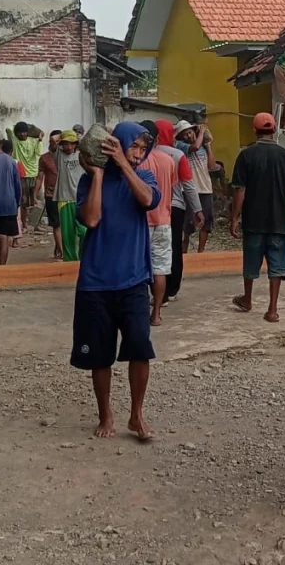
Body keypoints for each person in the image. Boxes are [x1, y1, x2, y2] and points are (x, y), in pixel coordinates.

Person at [71, 121, 160, 442]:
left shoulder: (144, 177)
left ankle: (137, 415)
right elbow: (91, 218)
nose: (138, 153)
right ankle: (106, 413)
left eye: (141, 148)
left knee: (140, 349)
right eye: (132, 146)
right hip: (95, 284)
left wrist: (124, 164)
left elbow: (149, 199)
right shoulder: (87, 181)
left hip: (134, 281)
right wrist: (96, 174)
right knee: (100, 355)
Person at [230, 113, 285, 322]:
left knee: (251, 261)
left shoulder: (246, 155)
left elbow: (240, 190)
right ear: (274, 130)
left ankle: (247, 299)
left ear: (255, 130)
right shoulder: (284, 155)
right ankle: (272, 309)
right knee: (276, 265)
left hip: (253, 220)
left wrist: (235, 217)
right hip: (278, 221)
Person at [145, 120, 201, 302]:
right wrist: (197, 209)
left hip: (148, 209)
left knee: (149, 250)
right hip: (174, 208)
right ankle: (170, 290)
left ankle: (152, 291)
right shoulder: (177, 155)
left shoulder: (143, 154)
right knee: (174, 249)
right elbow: (188, 185)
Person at [138, 131, 178, 326]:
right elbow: (172, 186)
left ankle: (138, 311)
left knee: (138, 267)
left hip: (140, 222)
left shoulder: (137, 161)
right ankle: (156, 314)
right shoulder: (168, 160)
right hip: (163, 220)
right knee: (160, 269)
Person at [174, 120, 216, 253]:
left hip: (206, 188)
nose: (189, 136)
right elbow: (195, 147)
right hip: (189, 190)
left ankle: (201, 252)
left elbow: (212, 166)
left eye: (190, 132)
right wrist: (202, 132)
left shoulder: (202, 146)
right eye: (185, 134)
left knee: (206, 223)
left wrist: (208, 145)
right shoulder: (181, 146)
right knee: (188, 224)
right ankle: (184, 250)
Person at [54, 130, 87, 262]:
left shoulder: (82, 155)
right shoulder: (58, 155)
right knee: (68, 235)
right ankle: (70, 261)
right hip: (64, 199)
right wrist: (60, 138)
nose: (68, 147)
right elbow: (53, 140)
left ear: (75, 144)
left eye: (71, 144)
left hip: (81, 198)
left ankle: (83, 257)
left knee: (85, 231)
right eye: (65, 144)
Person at [11, 121, 43, 241]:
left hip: (34, 174)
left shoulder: (34, 141)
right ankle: (24, 225)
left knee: (39, 200)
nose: (23, 134)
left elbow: (39, 153)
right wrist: (33, 127)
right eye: (21, 132)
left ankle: (35, 224)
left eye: (25, 132)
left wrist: (39, 138)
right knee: (23, 202)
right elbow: (9, 128)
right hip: (21, 175)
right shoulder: (15, 141)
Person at [36, 130, 63, 259]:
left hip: (67, 195)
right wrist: (35, 194)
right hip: (51, 195)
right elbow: (40, 177)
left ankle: (59, 248)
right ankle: (61, 250)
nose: (56, 144)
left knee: (66, 225)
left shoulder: (69, 157)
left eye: (58, 141)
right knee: (56, 224)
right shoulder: (45, 158)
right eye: (54, 142)